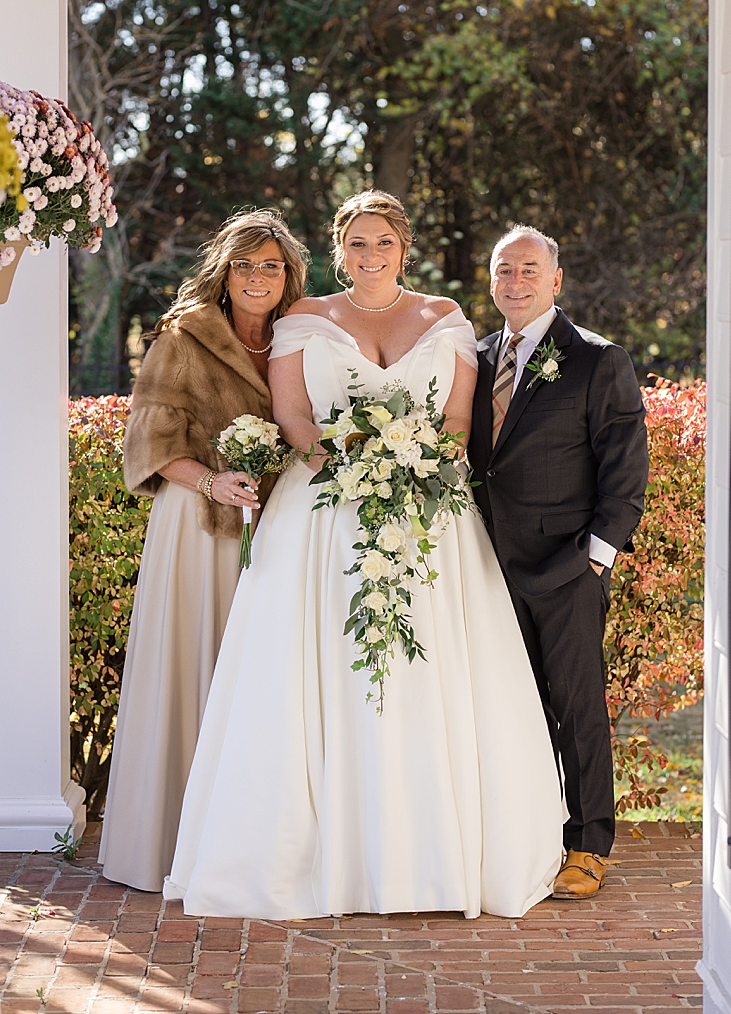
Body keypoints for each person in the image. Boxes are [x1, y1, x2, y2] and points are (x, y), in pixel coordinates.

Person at [164, 189, 563, 920]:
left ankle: (432, 856)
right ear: (339, 248)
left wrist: (413, 471)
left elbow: (456, 420)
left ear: (404, 247)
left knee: (431, 670)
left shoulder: (445, 318)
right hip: (321, 515)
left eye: (383, 243)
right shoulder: (305, 320)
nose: (370, 256)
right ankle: (316, 856)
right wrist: (347, 472)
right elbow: (293, 415)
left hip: (429, 519)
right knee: (319, 671)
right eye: (357, 244)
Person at [99, 210, 308, 892]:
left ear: (288, 275)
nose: (257, 277)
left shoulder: (304, 336)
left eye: (270, 265)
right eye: (245, 264)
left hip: (283, 529)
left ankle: (259, 849)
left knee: (270, 683)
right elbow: (150, 445)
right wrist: (215, 480)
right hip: (199, 527)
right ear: (225, 273)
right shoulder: (184, 336)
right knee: (202, 670)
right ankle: (174, 845)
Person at [469, 225, 648, 900]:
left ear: (555, 281)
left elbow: (625, 476)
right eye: (503, 270)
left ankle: (589, 843)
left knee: (576, 706)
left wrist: (595, 561)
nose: (515, 281)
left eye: (528, 270)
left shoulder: (598, 361)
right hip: (485, 570)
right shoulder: (477, 357)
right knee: (507, 708)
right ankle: (531, 833)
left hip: (567, 568)